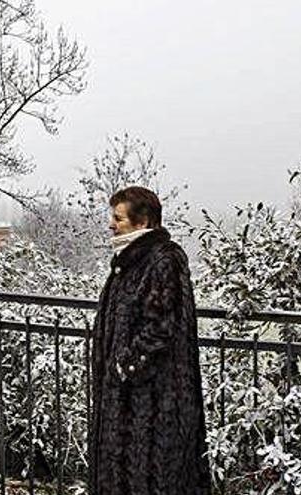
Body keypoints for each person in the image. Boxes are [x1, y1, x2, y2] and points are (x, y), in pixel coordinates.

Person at [89, 186, 210, 494]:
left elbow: (162, 327)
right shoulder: (130, 259)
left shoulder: (162, 261)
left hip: (150, 402)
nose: (111, 224)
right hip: (128, 401)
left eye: (118, 218)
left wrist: (124, 367)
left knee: (153, 478)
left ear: (142, 222)